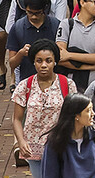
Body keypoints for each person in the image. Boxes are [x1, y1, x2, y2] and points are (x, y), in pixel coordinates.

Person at [11, 39, 76, 168]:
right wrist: (21, 142)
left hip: (60, 147)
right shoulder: (25, 86)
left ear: (55, 62)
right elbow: (17, 119)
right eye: (39, 61)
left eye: (48, 61)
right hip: (33, 149)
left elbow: (74, 117)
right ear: (34, 62)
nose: (44, 65)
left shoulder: (67, 85)